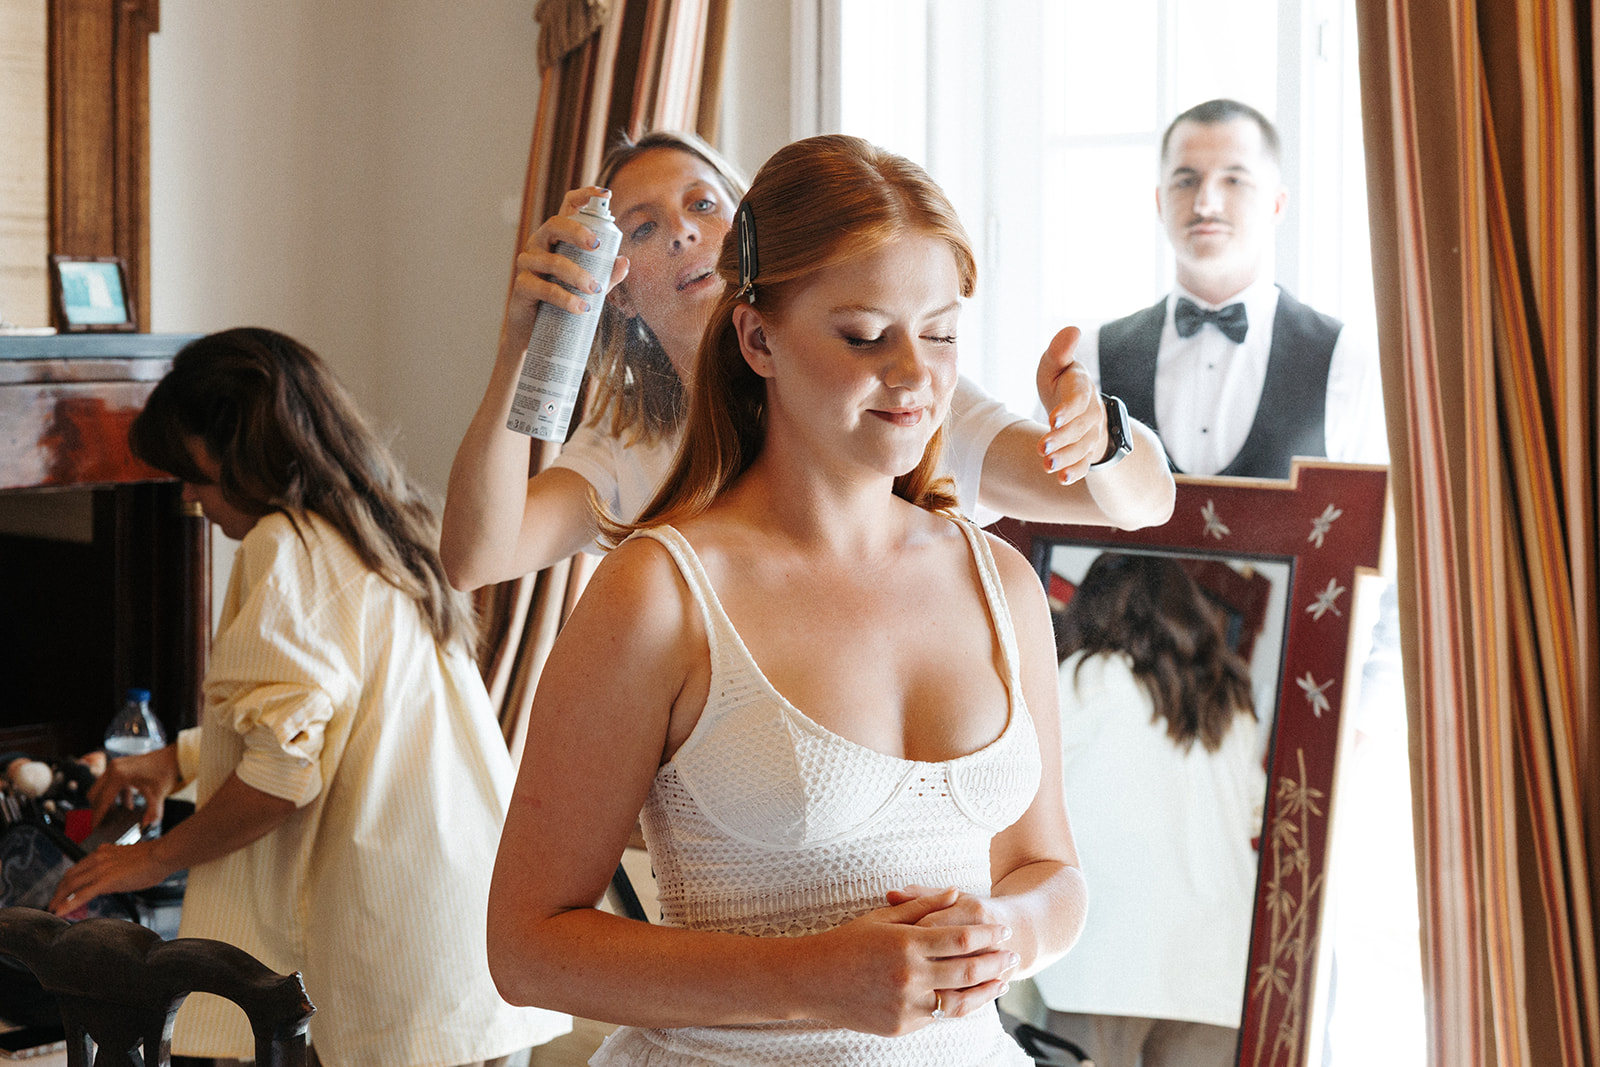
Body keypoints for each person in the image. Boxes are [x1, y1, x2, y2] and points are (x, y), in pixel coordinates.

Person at [485, 134, 1087, 1066]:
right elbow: (526, 947)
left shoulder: (1000, 582)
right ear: (757, 339)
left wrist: (1011, 932)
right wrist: (809, 978)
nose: (914, 373)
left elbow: (1051, 870)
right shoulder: (660, 592)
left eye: (938, 333)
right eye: (864, 335)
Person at [48, 328, 565, 1067]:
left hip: (385, 940)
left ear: (240, 447)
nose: (188, 496)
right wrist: (176, 759)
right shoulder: (387, 526)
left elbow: (280, 780)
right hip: (462, 924)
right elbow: (343, 716)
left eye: (192, 474)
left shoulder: (283, 545)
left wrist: (154, 858)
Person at [441, 130, 1174, 592]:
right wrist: (518, 348)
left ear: (749, 230)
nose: (682, 233)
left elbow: (1141, 503)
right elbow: (475, 557)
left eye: (703, 205)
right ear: (617, 292)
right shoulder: (626, 448)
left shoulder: (904, 401)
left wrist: (1101, 438)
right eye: (643, 227)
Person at [1031, 552, 1264, 1067]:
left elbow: (1022, 786)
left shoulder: (1086, 677)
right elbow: (1256, 812)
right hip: (1216, 964)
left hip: (1109, 955)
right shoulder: (1230, 699)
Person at [1074, 98, 1388, 479]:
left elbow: (1371, 511)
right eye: (1186, 180)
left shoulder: (1346, 361)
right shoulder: (1090, 359)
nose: (1206, 204)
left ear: (1277, 204)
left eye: (1234, 180)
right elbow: (1045, 501)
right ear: (1159, 201)